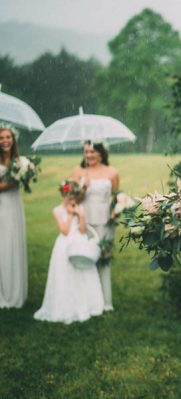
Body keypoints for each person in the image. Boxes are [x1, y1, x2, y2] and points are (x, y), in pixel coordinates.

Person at [33, 180, 104, 323]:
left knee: (82, 273)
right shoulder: (57, 210)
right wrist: (71, 214)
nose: (70, 198)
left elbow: (84, 230)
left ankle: (86, 304)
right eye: (68, 195)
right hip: (64, 246)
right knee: (65, 273)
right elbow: (64, 231)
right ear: (62, 195)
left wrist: (80, 215)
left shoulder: (80, 207)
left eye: (73, 195)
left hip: (80, 242)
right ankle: (65, 306)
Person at [73, 141, 119, 311]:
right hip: (83, 220)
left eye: (92, 152)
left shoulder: (112, 172)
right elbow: (72, 201)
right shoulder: (79, 172)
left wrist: (117, 209)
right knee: (84, 257)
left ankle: (106, 302)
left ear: (101, 153)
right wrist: (82, 188)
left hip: (105, 220)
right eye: (86, 152)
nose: (89, 156)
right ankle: (86, 301)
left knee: (103, 259)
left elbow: (115, 198)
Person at [0, 125, 28, 309]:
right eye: (1, 138)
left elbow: (24, 181)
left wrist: (24, 177)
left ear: (13, 139)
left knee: (13, 244)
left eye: (8, 137)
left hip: (14, 206)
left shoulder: (21, 162)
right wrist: (9, 183)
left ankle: (15, 291)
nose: (5, 141)